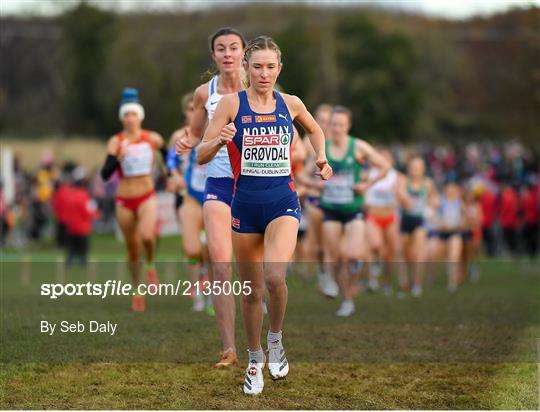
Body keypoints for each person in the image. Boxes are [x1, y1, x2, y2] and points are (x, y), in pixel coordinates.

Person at [196, 35, 332, 395]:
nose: (264, 73)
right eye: (257, 66)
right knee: (252, 292)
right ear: (246, 69)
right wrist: (218, 140)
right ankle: (254, 360)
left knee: (275, 276)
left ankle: (276, 339)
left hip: (282, 202)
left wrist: (321, 157)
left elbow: (315, 129)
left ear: (279, 69)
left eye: (271, 67)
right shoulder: (229, 104)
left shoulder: (290, 103)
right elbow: (200, 155)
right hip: (244, 206)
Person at [177, 27, 247, 368]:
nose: (228, 54)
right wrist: (187, 143)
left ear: (244, 52)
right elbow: (193, 133)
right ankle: (229, 349)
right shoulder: (204, 93)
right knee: (221, 266)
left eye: (234, 47)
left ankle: (267, 342)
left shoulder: (260, 88)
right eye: (221, 49)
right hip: (218, 183)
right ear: (214, 56)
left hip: (255, 184)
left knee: (257, 273)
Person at [304, 106, 390, 316]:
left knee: (352, 254)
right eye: (334, 124)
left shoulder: (358, 147)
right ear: (329, 125)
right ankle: (342, 293)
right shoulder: (322, 148)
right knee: (334, 254)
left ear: (348, 126)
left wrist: (367, 184)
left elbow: (384, 166)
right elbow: (303, 175)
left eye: (341, 124)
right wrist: (317, 185)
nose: (337, 128)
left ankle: (350, 290)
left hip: (354, 208)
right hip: (331, 208)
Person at [100, 87, 166, 312]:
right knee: (132, 249)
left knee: (147, 236)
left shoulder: (152, 139)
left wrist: (170, 173)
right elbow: (105, 174)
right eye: (126, 115)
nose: (130, 119)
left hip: (146, 196)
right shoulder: (116, 142)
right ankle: (138, 291)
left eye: (133, 114)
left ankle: (150, 264)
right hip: (124, 200)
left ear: (140, 116)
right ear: (122, 117)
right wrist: (117, 159)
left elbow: (169, 159)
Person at [167, 93, 214, 314]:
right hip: (189, 196)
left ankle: (213, 294)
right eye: (191, 110)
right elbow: (170, 160)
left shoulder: (218, 129)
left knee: (215, 251)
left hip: (215, 197)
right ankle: (196, 295)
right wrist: (174, 175)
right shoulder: (181, 135)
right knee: (192, 249)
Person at [397, 155, 438, 297]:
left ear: (423, 169)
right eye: (413, 167)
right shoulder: (403, 181)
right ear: (409, 169)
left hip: (420, 220)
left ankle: (417, 284)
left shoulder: (427, 183)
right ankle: (405, 284)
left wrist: (431, 207)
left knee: (418, 253)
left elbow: (434, 198)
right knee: (405, 254)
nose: (415, 170)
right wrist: (403, 199)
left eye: (418, 167)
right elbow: (400, 196)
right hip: (405, 220)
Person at [365, 149, 399, 296]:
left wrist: (401, 195)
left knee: (389, 254)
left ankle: (386, 283)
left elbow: (402, 195)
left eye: (386, 158)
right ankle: (373, 275)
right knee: (376, 245)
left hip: (390, 216)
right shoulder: (369, 174)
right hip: (373, 216)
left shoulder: (396, 176)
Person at [64, 167, 99, 267]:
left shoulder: (69, 194)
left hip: (71, 227)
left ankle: (69, 263)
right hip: (82, 228)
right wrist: (97, 214)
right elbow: (88, 212)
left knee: (71, 248)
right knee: (83, 249)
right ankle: (82, 263)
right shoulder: (84, 196)